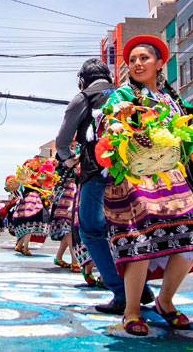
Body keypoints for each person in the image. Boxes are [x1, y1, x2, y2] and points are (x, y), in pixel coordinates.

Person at [102, 35, 193, 335]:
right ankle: (132, 310)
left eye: (143, 58)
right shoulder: (121, 97)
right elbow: (107, 127)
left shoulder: (176, 102)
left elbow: (191, 138)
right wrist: (119, 120)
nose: (136, 64)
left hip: (175, 180)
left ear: (160, 64)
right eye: (132, 60)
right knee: (140, 241)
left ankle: (165, 301)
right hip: (135, 180)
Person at [54, 57, 155, 316]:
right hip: (133, 173)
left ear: (83, 79)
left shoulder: (84, 97)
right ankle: (139, 288)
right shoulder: (126, 93)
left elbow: (63, 138)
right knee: (127, 230)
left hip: (98, 171)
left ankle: (122, 291)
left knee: (91, 230)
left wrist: (67, 158)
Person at [49, 178, 79, 272]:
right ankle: (75, 261)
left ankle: (59, 257)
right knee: (69, 226)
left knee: (68, 228)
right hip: (69, 191)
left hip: (72, 188)